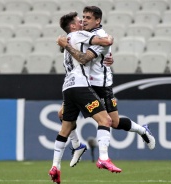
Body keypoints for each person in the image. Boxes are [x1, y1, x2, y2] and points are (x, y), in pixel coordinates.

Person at [58, 6, 156, 169]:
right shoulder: (86, 35)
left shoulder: (100, 36)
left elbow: (83, 58)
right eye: (83, 17)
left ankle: (142, 131)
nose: (84, 20)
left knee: (114, 123)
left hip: (101, 86)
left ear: (98, 20)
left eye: (88, 18)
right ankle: (77, 146)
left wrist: (66, 45)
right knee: (62, 114)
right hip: (84, 83)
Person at [49, 12, 121, 184]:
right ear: (73, 27)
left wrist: (106, 58)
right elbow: (105, 41)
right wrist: (109, 37)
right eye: (79, 21)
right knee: (106, 121)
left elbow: (72, 49)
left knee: (65, 128)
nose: (82, 22)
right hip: (81, 86)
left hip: (67, 87)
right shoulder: (78, 34)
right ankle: (103, 158)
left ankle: (55, 166)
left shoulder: (68, 40)